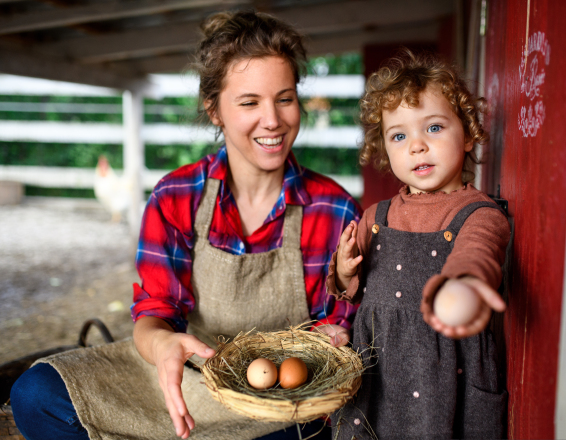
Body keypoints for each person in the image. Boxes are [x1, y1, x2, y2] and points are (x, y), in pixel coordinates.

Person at [10, 10, 361, 440]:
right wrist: (162, 345)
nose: (273, 120)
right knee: (36, 394)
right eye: (249, 102)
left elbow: (339, 327)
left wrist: (337, 334)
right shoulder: (176, 197)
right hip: (189, 381)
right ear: (215, 110)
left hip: (283, 405)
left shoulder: (335, 209)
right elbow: (155, 312)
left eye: (285, 98)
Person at [327, 49, 511, 439]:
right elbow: (348, 292)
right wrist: (344, 271)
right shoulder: (375, 217)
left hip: (445, 381)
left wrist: (463, 284)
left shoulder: (478, 212)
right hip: (375, 377)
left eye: (434, 128)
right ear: (385, 149)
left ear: (468, 134)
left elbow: (477, 251)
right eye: (399, 135)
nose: (417, 146)